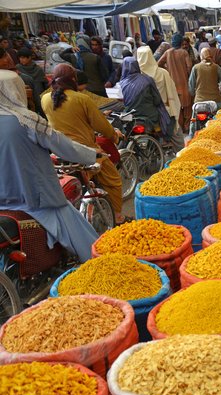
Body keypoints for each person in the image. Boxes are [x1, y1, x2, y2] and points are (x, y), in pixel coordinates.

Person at [0, 70, 99, 261]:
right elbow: (64, 146)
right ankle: (99, 264)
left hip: (4, 201)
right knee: (80, 233)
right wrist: (92, 155)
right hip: (35, 199)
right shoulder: (26, 120)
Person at [41, 64, 126, 225]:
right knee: (114, 180)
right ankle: (118, 217)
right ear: (73, 79)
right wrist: (114, 136)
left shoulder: (45, 99)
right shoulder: (81, 99)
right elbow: (101, 125)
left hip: (58, 151)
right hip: (85, 151)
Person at [137, 46, 182, 149]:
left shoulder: (138, 77)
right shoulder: (162, 73)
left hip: (146, 114)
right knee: (177, 137)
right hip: (165, 111)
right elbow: (172, 92)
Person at [119, 57, 171, 138]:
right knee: (160, 123)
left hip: (130, 116)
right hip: (150, 116)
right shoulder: (148, 79)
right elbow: (157, 100)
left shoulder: (122, 83)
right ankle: (162, 139)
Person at [158, 34, 193, 132]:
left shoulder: (167, 52)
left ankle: (181, 128)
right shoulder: (184, 53)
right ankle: (187, 127)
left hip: (173, 86)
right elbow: (189, 67)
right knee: (187, 108)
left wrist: (168, 70)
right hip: (185, 84)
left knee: (177, 108)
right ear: (181, 42)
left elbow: (158, 64)